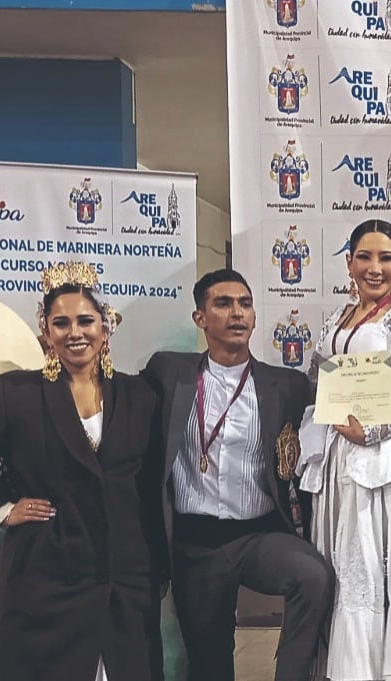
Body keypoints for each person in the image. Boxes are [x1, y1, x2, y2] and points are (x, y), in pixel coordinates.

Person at [0, 261, 165, 681]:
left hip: (123, 578)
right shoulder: (18, 395)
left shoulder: (140, 395)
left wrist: (155, 565)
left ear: (106, 328)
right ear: (47, 335)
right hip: (46, 577)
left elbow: (148, 489)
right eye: (61, 323)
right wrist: (2, 509)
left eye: (85, 320)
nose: (75, 332)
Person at [142, 268, 335, 681]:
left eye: (245, 304)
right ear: (200, 318)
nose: (237, 314)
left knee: (313, 575)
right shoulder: (168, 374)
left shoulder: (286, 385)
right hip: (196, 544)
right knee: (210, 666)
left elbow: (338, 409)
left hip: (260, 535)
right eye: (223, 304)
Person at [298, 220, 391, 681]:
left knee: (380, 563)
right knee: (347, 563)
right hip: (339, 456)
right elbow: (316, 375)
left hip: (384, 459)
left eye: (385, 257)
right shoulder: (336, 318)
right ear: (349, 262)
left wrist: (375, 431)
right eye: (364, 256)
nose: (374, 267)